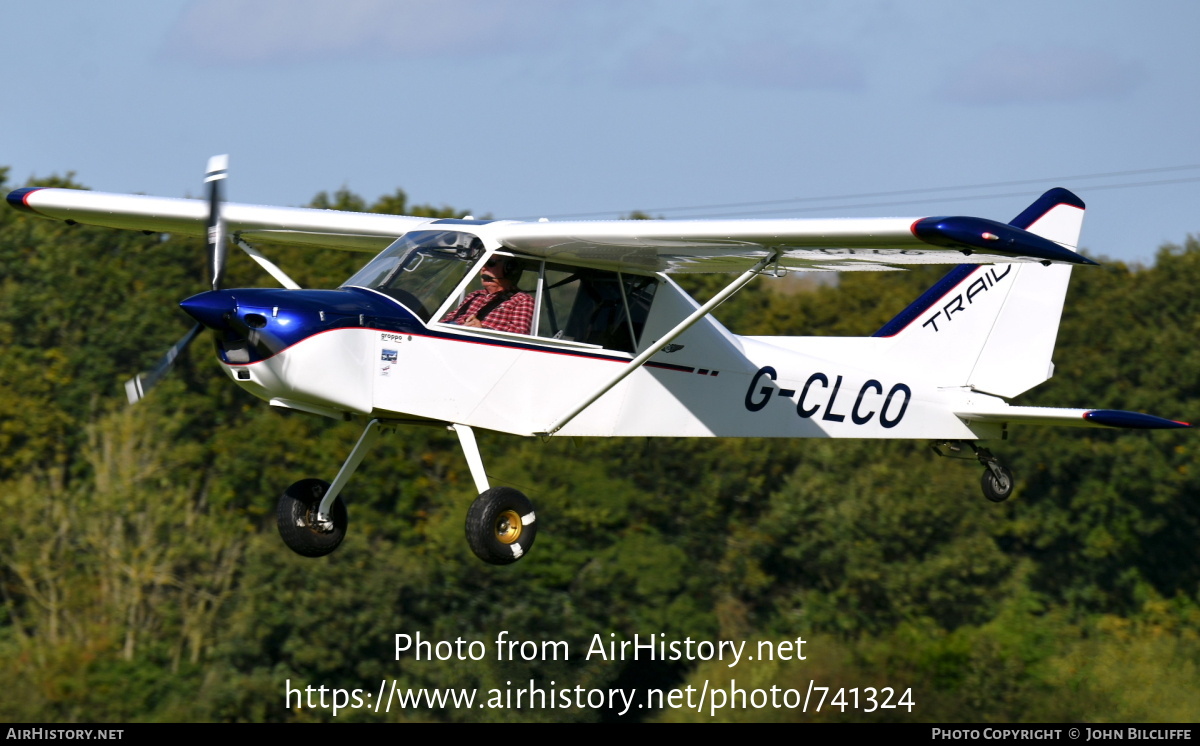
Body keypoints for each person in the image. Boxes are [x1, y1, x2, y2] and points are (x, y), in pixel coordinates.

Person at [441, 256, 534, 334]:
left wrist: (483, 330)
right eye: (482, 263)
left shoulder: (522, 299)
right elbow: (448, 319)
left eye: (490, 263)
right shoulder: (474, 295)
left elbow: (519, 334)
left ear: (510, 268)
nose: (483, 268)